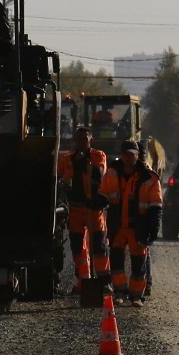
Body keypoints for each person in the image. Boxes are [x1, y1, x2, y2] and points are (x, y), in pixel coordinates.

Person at [101, 140, 165, 307]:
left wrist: (154, 226)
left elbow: (156, 205)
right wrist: (94, 203)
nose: (129, 158)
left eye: (132, 154)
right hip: (118, 226)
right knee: (116, 262)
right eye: (126, 154)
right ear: (121, 156)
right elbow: (103, 194)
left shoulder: (149, 178)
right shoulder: (112, 173)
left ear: (138, 155)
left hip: (139, 228)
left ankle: (137, 296)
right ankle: (120, 292)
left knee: (139, 263)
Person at [58, 127, 111, 298]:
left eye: (85, 139)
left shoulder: (98, 156)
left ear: (90, 140)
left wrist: (83, 162)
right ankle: (83, 281)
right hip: (76, 209)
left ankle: (103, 282)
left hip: (94, 209)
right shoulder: (67, 160)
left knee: (99, 247)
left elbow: (99, 174)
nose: (82, 143)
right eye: (79, 139)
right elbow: (60, 180)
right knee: (77, 248)